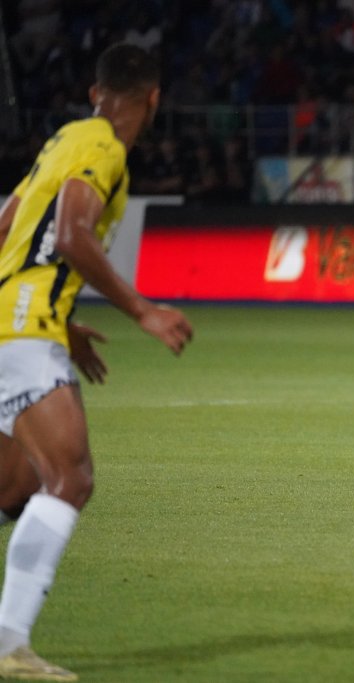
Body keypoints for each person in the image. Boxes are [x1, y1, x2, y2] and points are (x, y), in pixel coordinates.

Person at [0, 43, 193, 681]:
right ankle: (9, 645)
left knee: (15, 488)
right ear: (154, 99)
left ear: (95, 92)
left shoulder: (63, 140)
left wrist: (62, 322)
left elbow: (5, 228)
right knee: (70, 478)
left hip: (16, 320)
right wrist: (142, 311)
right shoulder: (104, 148)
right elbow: (71, 233)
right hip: (23, 327)